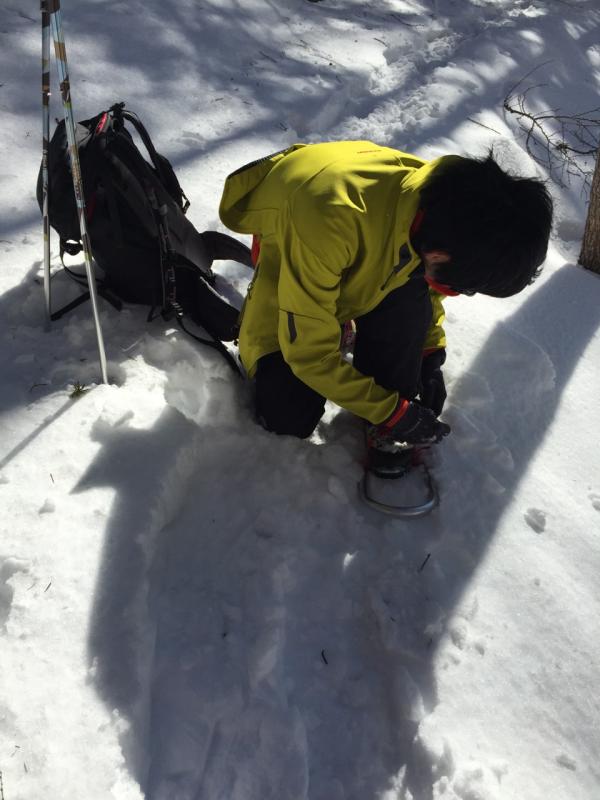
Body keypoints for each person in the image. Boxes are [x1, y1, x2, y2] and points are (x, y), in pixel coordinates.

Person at [218, 141, 553, 472]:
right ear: (439, 256)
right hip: (298, 223)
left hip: (361, 230)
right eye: (463, 288)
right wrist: (392, 412)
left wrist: (429, 352)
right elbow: (307, 354)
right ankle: (321, 322)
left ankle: (357, 349)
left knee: (402, 362)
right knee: (288, 415)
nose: (457, 293)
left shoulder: (450, 207)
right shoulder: (329, 219)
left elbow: (426, 285)